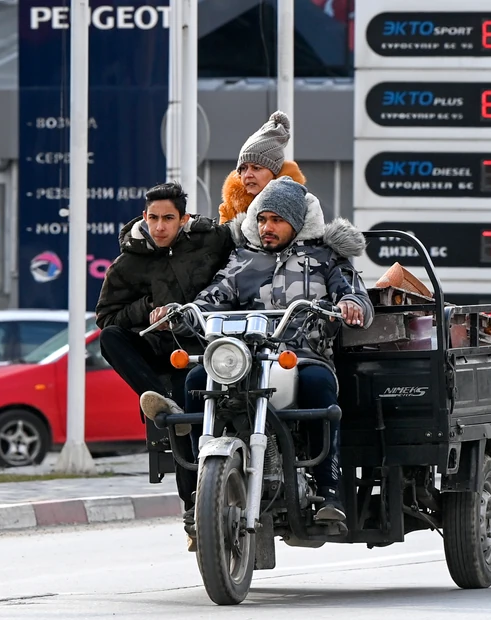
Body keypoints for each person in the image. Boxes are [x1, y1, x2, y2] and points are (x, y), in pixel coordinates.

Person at [144, 176, 374, 522]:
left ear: (296, 222)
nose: (267, 227)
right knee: (195, 381)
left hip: (301, 357)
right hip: (243, 359)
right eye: (262, 219)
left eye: (277, 220)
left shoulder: (326, 257)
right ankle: (197, 491)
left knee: (319, 386)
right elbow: (211, 299)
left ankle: (330, 491)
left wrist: (351, 305)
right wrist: (178, 315)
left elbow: (356, 296)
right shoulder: (243, 259)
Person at [95, 181, 240, 533]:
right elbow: (107, 317)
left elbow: (245, 257)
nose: (159, 227)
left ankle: (194, 507)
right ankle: (162, 400)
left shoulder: (211, 241)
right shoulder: (128, 262)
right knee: (110, 339)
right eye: (153, 218)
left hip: (199, 352)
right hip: (156, 353)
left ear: (183, 219)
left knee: (187, 416)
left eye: (168, 219)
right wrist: (147, 309)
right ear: (144, 217)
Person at [217, 110, 308, 224]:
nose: (248, 175)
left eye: (256, 168)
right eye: (243, 168)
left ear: (275, 172)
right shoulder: (229, 209)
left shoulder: (301, 206)